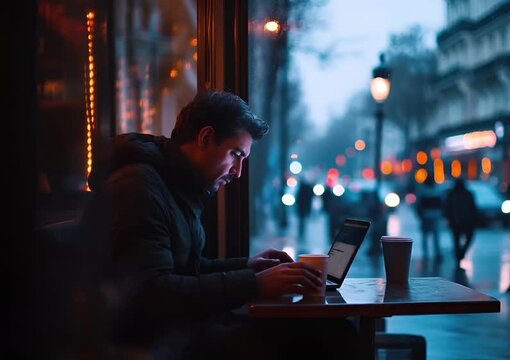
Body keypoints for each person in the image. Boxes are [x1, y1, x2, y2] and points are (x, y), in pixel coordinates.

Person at [77, 90, 362, 359]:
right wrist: (254, 283)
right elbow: (152, 293)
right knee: (330, 336)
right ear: (205, 138)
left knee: (331, 330)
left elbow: (187, 269)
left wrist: (249, 266)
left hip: (178, 329)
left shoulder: (172, 184)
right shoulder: (139, 187)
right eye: (236, 155)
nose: (238, 172)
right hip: (156, 340)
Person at [443, 178, 477, 261]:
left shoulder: (453, 194)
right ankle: (459, 255)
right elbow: (473, 208)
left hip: (459, 221)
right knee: (461, 239)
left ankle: (459, 255)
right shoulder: (466, 194)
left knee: (457, 240)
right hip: (462, 221)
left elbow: (447, 208)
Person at [415, 178, 443, 260]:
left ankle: (425, 253)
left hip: (425, 216)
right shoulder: (437, 191)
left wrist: (420, 215)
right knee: (436, 236)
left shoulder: (422, 191)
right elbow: (441, 204)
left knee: (425, 236)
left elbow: (418, 205)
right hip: (435, 215)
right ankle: (437, 253)